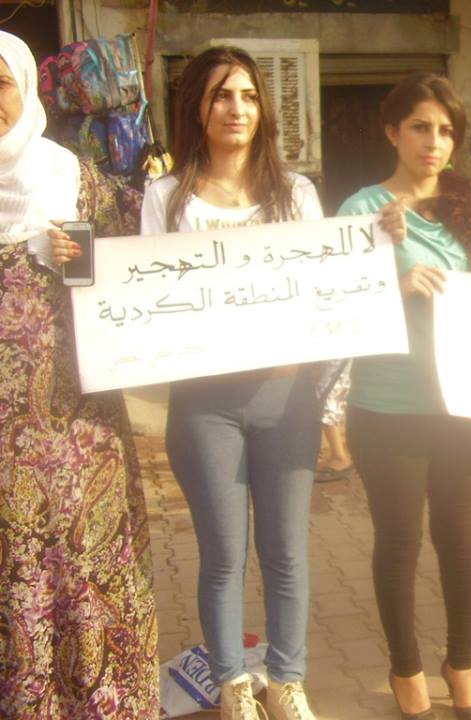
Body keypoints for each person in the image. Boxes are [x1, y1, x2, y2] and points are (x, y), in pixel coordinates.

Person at [140, 45, 327, 720]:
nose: (236, 108)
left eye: (248, 95)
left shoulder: (296, 194)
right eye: (221, 94)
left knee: (286, 552)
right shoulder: (166, 197)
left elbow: (323, 286)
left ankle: (288, 680)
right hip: (205, 403)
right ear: (197, 107)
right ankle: (232, 686)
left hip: (287, 397)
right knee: (223, 554)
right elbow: (149, 295)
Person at [0, 30, 158, 716]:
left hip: (79, 431)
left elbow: (135, 265)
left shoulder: (71, 177)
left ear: (25, 88)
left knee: (85, 565)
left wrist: (80, 256)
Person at [338, 72, 471, 720]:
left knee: (461, 534)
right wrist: (395, 277)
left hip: (465, 402)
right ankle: (406, 671)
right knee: (400, 539)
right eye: (420, 127)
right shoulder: (363, 210)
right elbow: (336, 307)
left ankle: (461, 664)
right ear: (392, 132)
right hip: (387, 404)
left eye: (445, 130)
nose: (434, 141)